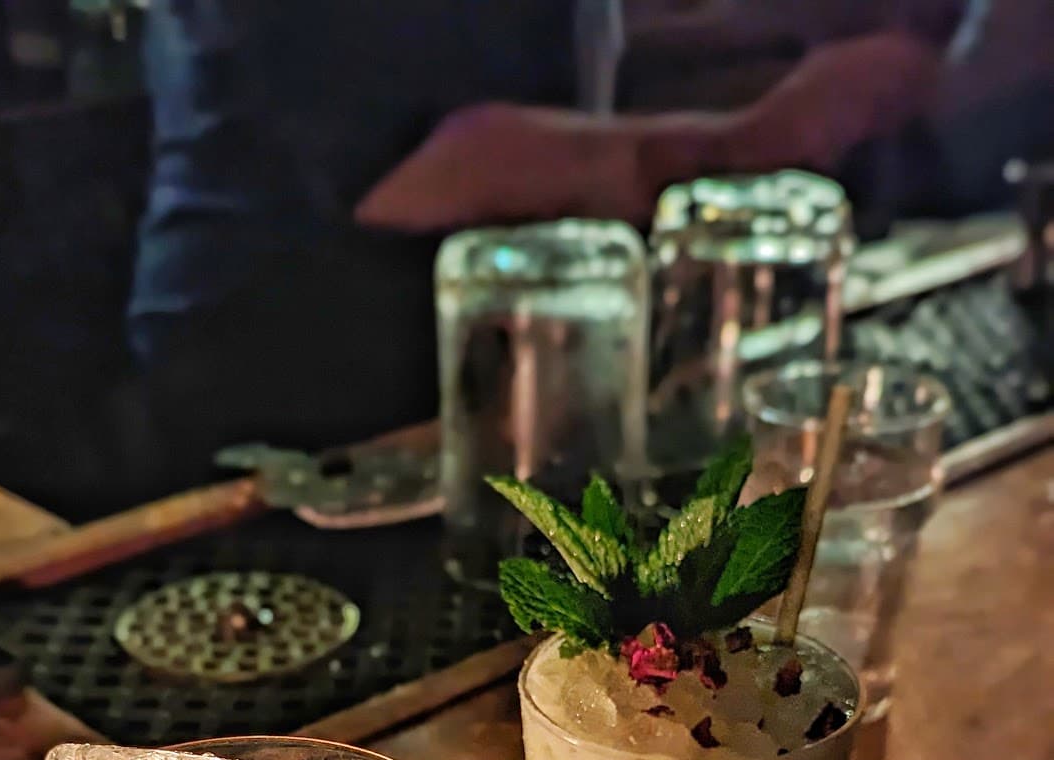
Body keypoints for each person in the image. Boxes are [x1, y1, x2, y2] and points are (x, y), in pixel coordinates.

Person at [129, 0, 1050, 479]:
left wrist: (770, 31)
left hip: (485, 352)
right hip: (290, 383)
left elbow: (557, 52)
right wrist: (764, 136)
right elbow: (432, 163)